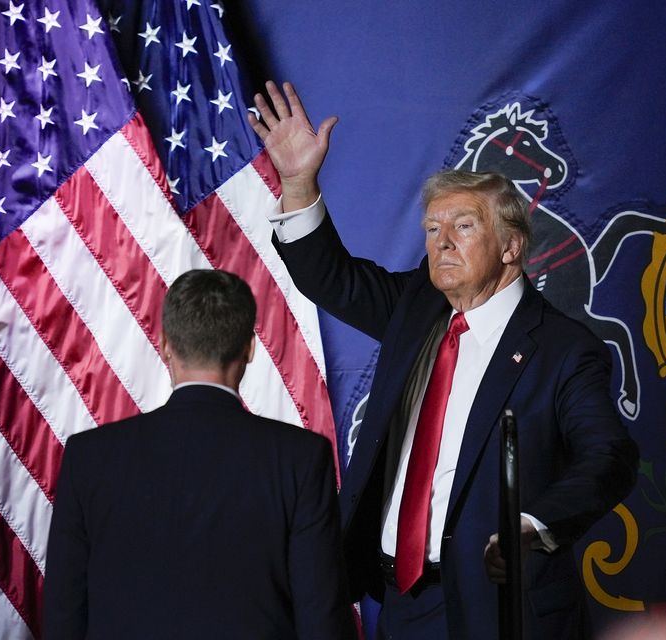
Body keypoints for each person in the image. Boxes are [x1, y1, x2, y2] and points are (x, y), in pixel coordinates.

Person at [249, 81, 639, 640]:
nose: (442, 242)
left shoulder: (564, 349)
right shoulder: (415, 308)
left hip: (502, 609)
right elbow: (329, 278)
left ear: (511, 246)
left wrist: (533, 524)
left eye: (463, 226)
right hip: (400, 604)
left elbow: (610, 455)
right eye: (432, 228)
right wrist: (298, 183)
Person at [43, 269, 356, 640]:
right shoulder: (300, 458)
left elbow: (64, 611)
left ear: (164, 345)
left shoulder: (89, 458)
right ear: (249, 348)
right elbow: (321, 614)